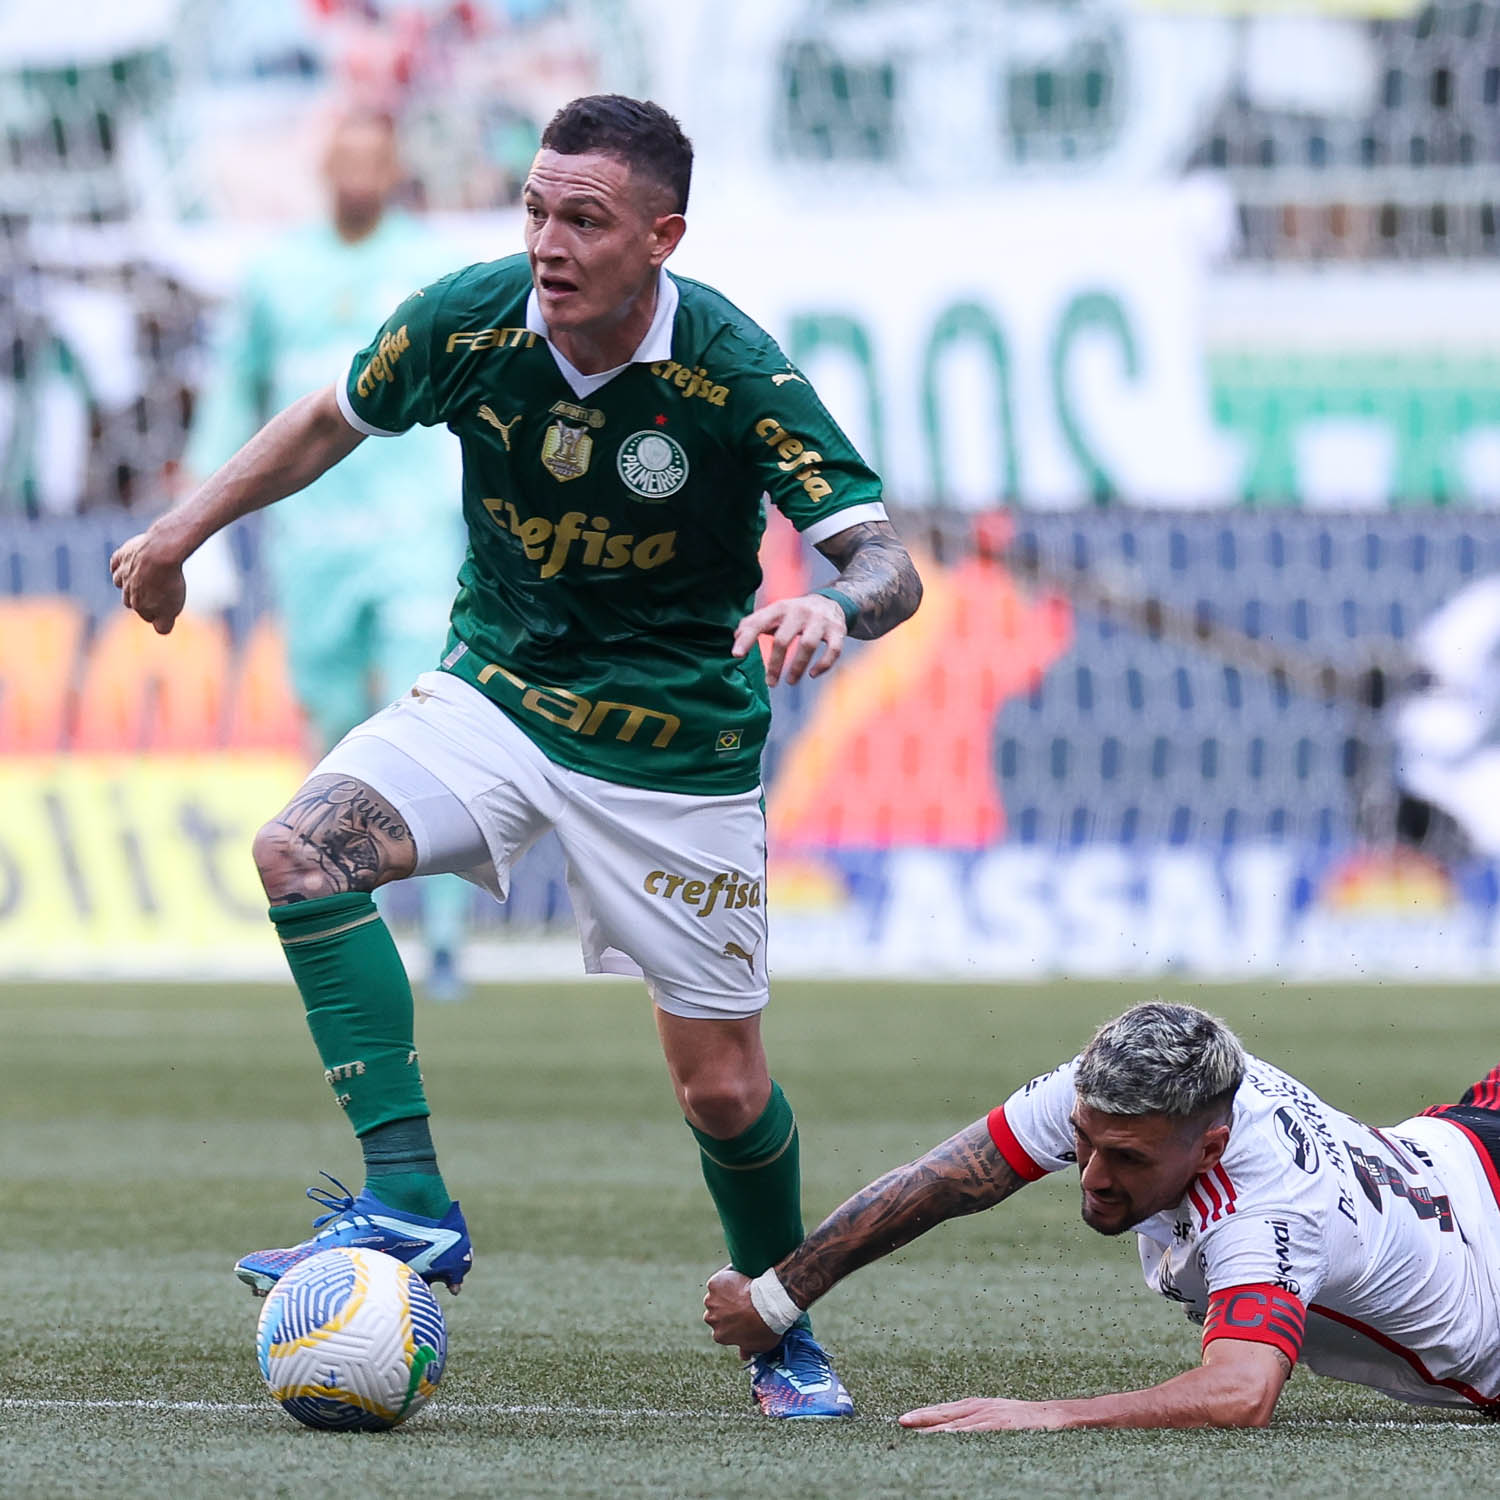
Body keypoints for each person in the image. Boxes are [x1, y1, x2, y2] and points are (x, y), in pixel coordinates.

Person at [110, 93, 922, 1420]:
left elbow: (883, 558)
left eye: (584, 220)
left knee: (721, 1089)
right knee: (301, 852)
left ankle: (781, 1324)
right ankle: (411, 1203)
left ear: (661, 236)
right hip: (497, 694)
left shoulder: (731, 367)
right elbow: (326, 417)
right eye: (536, 207)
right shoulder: (474, 316)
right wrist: (177, 536)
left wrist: (836, 603)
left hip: (674, 748)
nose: (547, 241)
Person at [705, 999, 1500, 1428]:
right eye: (1085, 1143)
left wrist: (1049, 1414)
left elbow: (1239, 1394)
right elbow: (946, 1180)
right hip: (1464, 1142)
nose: (1092, 1176)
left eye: (1129, 1161)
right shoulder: (1126, 1089)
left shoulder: (1265, 1209)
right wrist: (777, 1299)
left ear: (1211, 1147)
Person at [184, 107, 473, 999]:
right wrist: (198, 509)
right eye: (341, 157)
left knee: (426, 725)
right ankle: (364, 930)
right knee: (330, 732)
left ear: (394, 169)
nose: (357, 174)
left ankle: (450, 943)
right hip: (309, 542)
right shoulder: (276, 273)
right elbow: (237, 391)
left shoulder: (434, 268)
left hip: (413, 536)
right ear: (323, 168)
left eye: (372, 158)